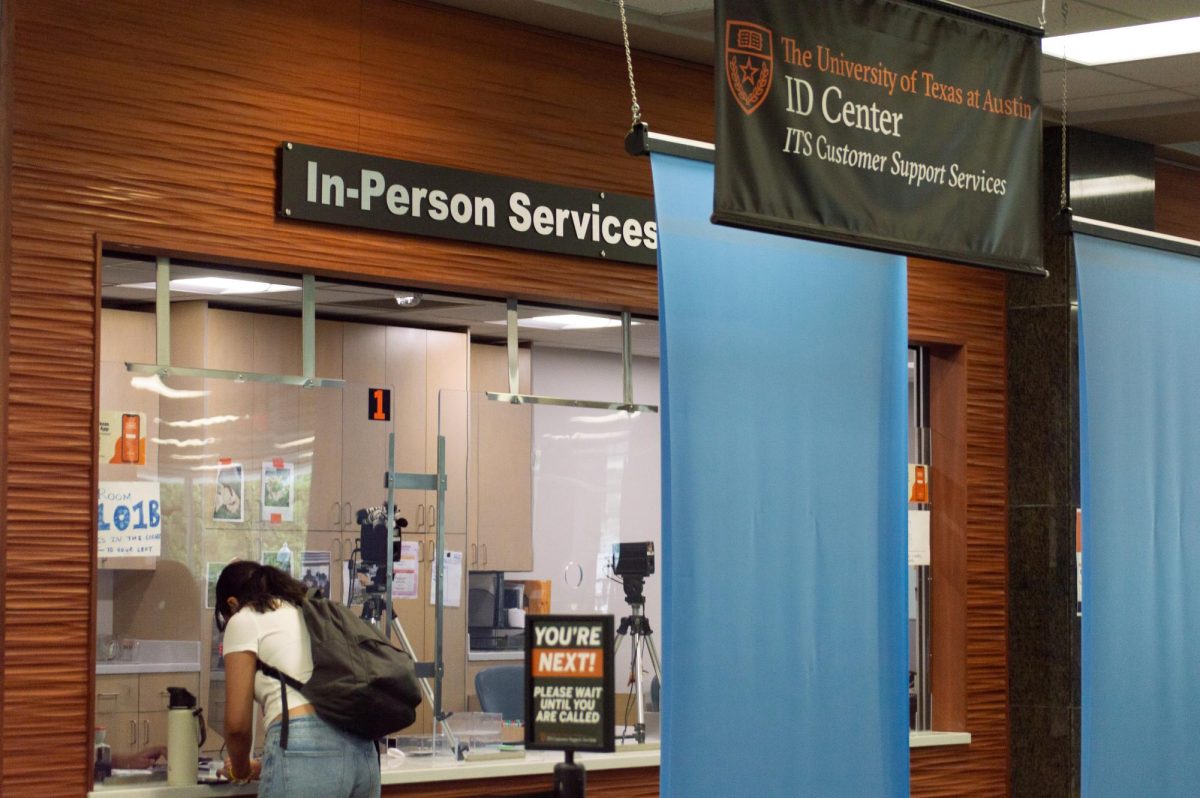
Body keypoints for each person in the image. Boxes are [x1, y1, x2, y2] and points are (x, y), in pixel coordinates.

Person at [213, 561, 380, 797]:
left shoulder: (243, 617)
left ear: (232, 603)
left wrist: (240, 771)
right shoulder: (309, 611)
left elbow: (237, 726)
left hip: (306, 745)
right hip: (363, 751)